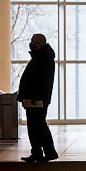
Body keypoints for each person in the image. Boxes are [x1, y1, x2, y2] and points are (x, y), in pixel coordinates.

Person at [17, 34, 58, 162]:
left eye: (33, 42)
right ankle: (40, 152)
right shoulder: (41, 56)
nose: (31, 44)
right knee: (36, 126)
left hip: (36, 99)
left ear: (40, 43)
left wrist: (35, 96)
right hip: (34, 98)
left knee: (38, 125)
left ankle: (46, 152)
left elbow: (41, 80)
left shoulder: (43, 57)